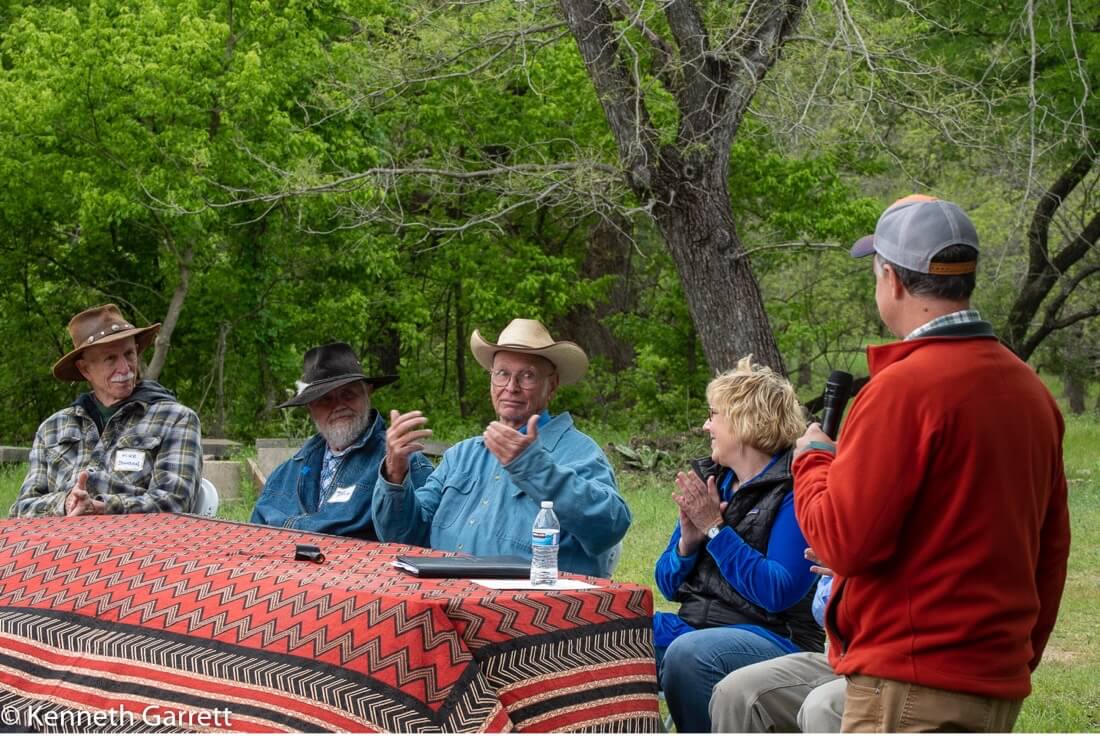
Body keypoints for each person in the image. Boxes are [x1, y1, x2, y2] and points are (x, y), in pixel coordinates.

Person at [793, 195, 1071, 732]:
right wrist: (1013, 659)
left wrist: (812, 464)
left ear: (892, 279)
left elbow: (843, 542)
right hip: (993, 682)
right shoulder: (1031, 392)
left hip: (908, 684)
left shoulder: (901, 390)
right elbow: (1050, 551)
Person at [373, 318, 630, 577]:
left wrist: (533, 468)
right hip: (447, 602)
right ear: (491, 380)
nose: (511, 387)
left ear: (551, 386)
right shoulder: (462, 455)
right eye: (502, 374)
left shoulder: (578, 451)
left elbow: (609, 527)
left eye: (527, 375)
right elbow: (403, 537)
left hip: (532, 610)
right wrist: (395, 474)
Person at [654, 357, 823, 733]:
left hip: (773, 638)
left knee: (689, 654)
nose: (706, 425)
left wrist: (716, 530)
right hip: (694, 626)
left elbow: (778, 591)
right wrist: (688, 543)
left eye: (714, 415)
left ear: (746, 420)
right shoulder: (716, 483)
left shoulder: (794, 491)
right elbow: (666, 584)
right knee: (609, 634)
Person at [12, 303, 202, 517]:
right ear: (85, 369)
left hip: (139, 545)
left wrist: (103, 508)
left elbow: (175, 502)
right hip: (60, 544)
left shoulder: (175, 419)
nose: (125, 368)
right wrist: (65, 503)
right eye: (110, 359)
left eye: (129, 354)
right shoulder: (52, 429)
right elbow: (21, 509)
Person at [251, 342, 432, 538]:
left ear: (368, 393)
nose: (338, 406)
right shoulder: (285, 473)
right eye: (325, 399)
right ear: (310, 407)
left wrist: (395, 479)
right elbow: (252, 536)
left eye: (348, 394)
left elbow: (419, 541)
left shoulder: (403, 463)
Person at [709, 549, 844, 733]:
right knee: (736, 693)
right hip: (844, 656)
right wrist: (686, 549)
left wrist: (716, 532)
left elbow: (776, 591)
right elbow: (821, 609)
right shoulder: (856, 530)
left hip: (890, 665)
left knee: (823, 707)